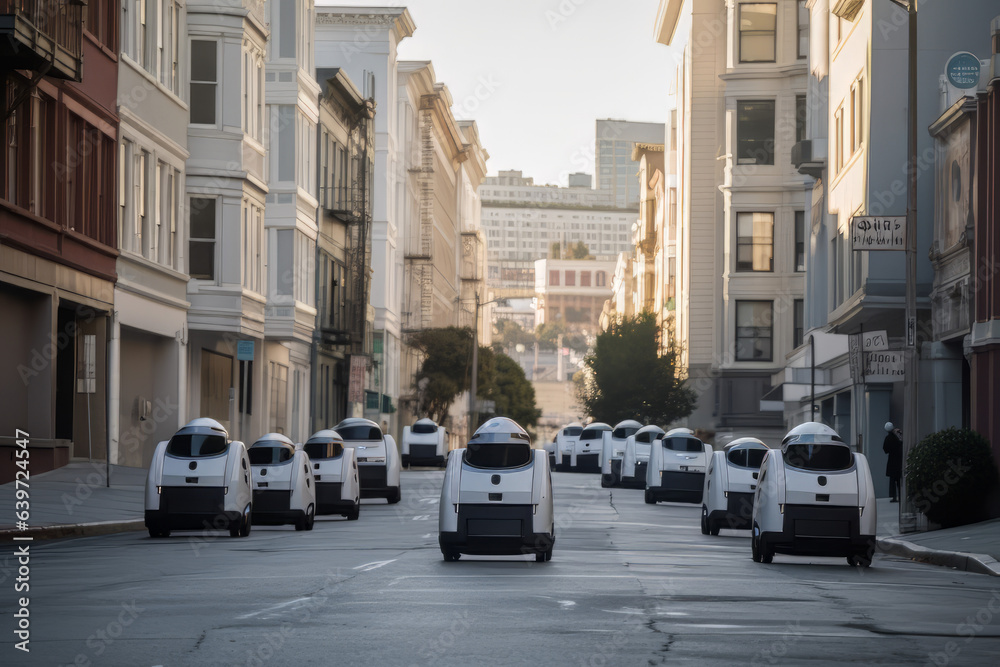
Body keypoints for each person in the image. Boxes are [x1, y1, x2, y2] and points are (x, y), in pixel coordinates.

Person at [883, 421, 903, 502]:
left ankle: (894, 497)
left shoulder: (888, 438)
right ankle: (901, 496)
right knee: (899, 480)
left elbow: (885, 449)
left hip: (892, 460)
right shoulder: (898, 436)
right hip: (899, 460)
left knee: (892, 480)